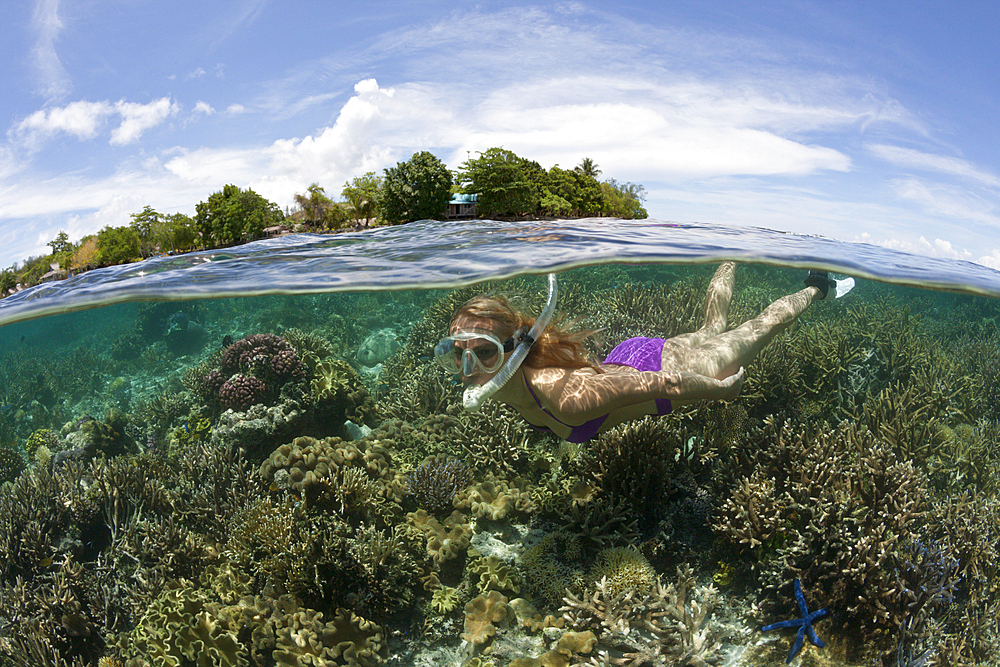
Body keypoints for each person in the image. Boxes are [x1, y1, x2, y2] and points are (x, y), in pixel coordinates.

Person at [435, 263, 841, 442]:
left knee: (759, 327)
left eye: (484, 353)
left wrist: (722, 392)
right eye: (457, 353)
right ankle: (732, 254)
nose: (468, 368)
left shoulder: (565, 399)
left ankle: (817, 287)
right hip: (628, 357)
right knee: (711, 328)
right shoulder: (512, 386)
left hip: (660, 370)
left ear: (512, 351)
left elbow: (665, 383)